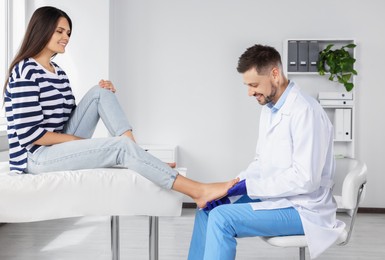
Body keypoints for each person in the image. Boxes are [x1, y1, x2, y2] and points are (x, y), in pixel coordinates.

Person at [3, 6, 238, 209]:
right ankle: (198, 191)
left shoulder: (59, 72)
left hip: (58, 143)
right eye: (60, 31)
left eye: (68, 32)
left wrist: (103, 95)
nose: (66, 37)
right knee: (120, 148)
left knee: (100, 92)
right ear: (42, 30)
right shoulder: (26, 70)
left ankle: (139, 158)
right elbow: (31, 134)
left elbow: (67, 118)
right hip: (35, 158)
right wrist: (77, 142)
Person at [188, 44, 346, 260]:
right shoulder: (270, 109)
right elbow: (260, 162)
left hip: (304, 209)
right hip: (276, 198)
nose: (250, 92)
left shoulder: (305, 112)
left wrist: (245, 187)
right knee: (206, 209)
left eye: (254, 84)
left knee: (222, 218)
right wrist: (231, 187)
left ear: (275, 74)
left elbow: (306, 179)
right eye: (247, 85)